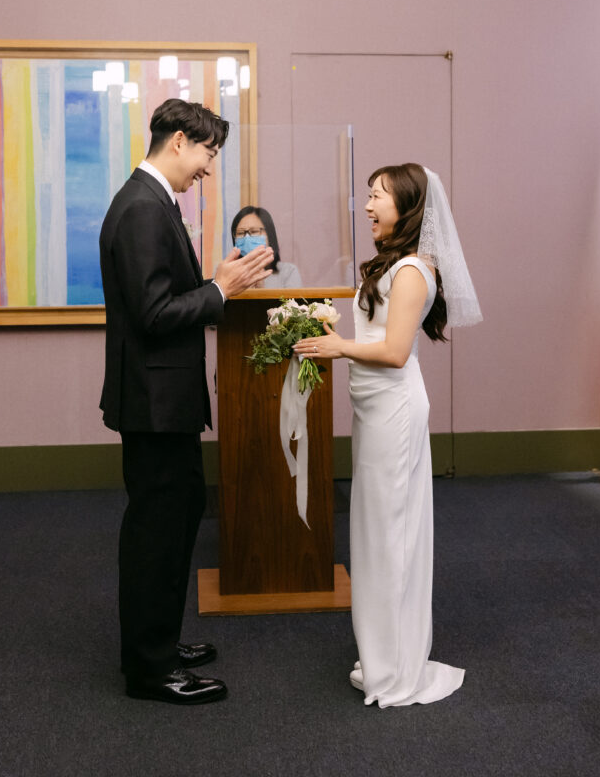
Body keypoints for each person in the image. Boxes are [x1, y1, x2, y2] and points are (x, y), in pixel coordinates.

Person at [99, 98, 273, 704]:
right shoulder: (144, 209)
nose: (207, 168)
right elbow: (153, 315)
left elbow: (167, 297)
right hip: (154, 400)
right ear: (179, 141)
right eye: (207, 154)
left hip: (158, 397)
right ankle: (150, 669)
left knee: (174, 519)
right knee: (157, 530)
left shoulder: (146, 200)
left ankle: (160, 642)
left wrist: (211, 282)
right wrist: (221, 290)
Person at [293, 163, 481, 707]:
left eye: (377, 196)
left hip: (394, 414)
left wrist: (339, 348)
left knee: (391, 537)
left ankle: (398, 666)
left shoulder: (413, 271)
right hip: (373, 411)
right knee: (375, 535)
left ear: (407, 206)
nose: (368, 205)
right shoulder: (392, 266)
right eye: (368, 195)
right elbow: (375, 337)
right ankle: (384, 653)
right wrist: (327, 332)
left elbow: (395, 353)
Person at [230, 205, 302, 288]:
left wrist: (260, 289)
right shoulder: (227, 273)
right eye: (240, 233)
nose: (246, 238)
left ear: (269, 235)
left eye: (254, 231)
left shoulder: (288, 272)